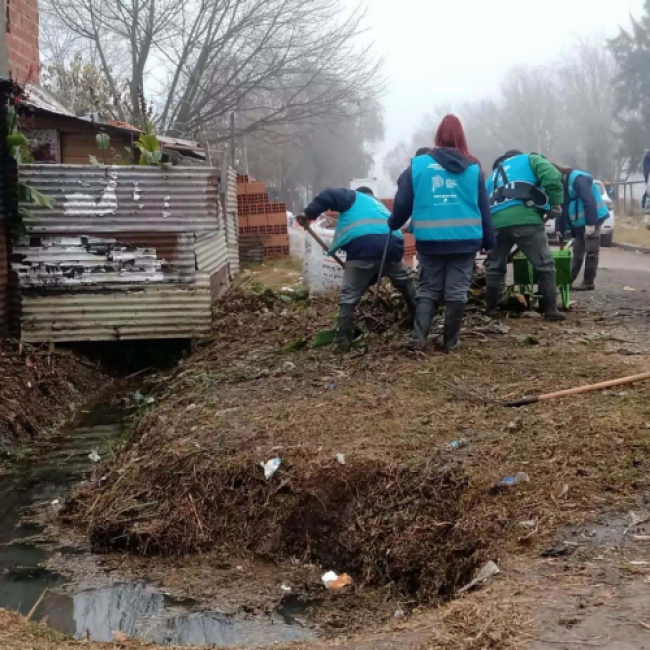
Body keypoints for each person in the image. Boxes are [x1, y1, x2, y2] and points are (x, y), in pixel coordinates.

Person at [388, 114, 494, 352]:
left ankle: (419, 339)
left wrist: (393, 222)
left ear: (437, 136)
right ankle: (450, 343)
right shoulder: (474, 168)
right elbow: (483, 207)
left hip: (430, 240)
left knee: (428, 288)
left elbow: (403, 201)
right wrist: (489, 240)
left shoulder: (418, 165)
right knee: (457, 290)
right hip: (465, 240)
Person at [297, 187, 416, 352]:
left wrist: (308, 214)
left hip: (363, 248)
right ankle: (420, 323)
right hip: (393, 248)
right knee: (405, 282)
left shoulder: (353, 197)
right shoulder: (379, 206)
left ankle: (344, 340)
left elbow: (329, 194)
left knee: (348, 296)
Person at [485, 150, 566, 321]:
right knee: (545, 266)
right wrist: (555, 202)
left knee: (494, 268)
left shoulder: (492, 176)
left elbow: (483, 202)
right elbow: (552, 175)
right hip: (526, 220)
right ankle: (550, 310)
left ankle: (491, 310)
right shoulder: (530, 159)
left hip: (496, 223)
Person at [554, 165, 610, 291]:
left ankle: (588, 282)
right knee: (577, 253)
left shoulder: (578, 179)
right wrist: (559, 228)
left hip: (593, 218)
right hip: (579, 223)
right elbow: (562, 205)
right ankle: (567, 281)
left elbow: (589, 200)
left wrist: (591, 223)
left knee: (591, 251)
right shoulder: (561, 183)